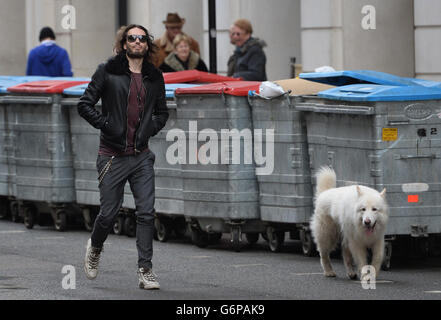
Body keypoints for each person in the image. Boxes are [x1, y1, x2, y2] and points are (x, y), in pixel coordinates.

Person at [78, 24, 169, 290]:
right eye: (132, 38)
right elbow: (84, 104)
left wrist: (151, 128)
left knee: (146, 213)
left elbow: (162, 113)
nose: (138, 42)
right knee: (108, 214)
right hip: (112, 156)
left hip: (141, 156)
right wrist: (107, 125)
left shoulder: (155, 77)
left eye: (142, 38)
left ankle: (146, 270)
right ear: (124, 43)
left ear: (147, 44)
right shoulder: (107, 72)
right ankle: (95, 247)